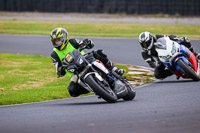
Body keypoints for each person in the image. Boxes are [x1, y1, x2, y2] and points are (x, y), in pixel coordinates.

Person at [50, 27, 125, 97]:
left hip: (86, 59)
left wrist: (87, 42)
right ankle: (96, 88)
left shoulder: (72, 42)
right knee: (72, 90)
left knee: (99, 53)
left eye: (59, 40)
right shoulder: (54, 54)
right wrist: (61, 70)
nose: (57, 43)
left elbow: (85, 44)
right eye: (55, 41)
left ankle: (114, 69)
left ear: (64, 38)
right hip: (75, 72)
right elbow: (58, 69)